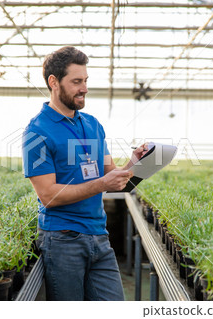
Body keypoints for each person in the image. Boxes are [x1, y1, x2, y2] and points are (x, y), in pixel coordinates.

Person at [22, 46, 147, 301]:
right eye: (77, 81)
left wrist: (136, 162)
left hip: (99, 237)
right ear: (53, 82)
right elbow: (48, 196)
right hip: (63, 241)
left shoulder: (92, 124)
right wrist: (101, 183)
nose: (85, 88)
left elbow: (113, 176)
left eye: (86, 80)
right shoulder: (36, 131)